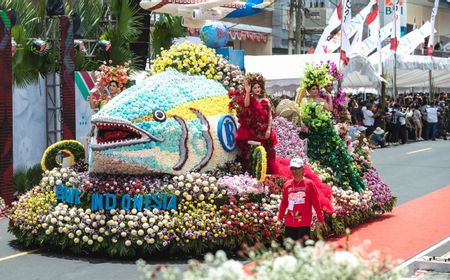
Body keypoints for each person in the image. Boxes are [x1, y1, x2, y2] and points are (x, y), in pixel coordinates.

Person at [234, 73, 278, 173]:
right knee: (252, 153)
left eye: (258, 87)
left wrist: (268, 130)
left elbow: (270, 116)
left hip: (264, 131)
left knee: (267, 153)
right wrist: (247, 91)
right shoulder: (250, 99)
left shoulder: (266, 100)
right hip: (253, 132)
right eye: (255, 87)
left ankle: (266, 173)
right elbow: (246, 104)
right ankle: (252, 172)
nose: (257, 89)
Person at [277, 158, 324, 241]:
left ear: (302, 169)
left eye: (297, 168)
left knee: (302, 249)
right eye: (292, 168)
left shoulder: (309, 184)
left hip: (304, 223)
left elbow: (315, 202)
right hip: (290, 223)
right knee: (290, 249)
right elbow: (284, 203)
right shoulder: (287, 185)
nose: (294, 171)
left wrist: (320, 219)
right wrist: (279, 219)